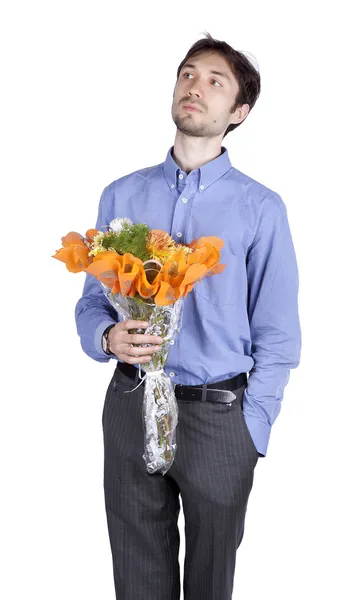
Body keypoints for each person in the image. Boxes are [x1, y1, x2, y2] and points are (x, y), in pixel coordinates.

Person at [75, 31, 302, 600]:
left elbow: (277, 331)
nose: (194, 87)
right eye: (188, 74)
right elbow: (91, 302)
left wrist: (254, 428)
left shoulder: (260, 208)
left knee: (209, 585)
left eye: (214, 81)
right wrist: (106, 336)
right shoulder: (121, 194)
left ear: (239, 112)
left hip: (219, 420)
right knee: (137, 580)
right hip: (130, 406)